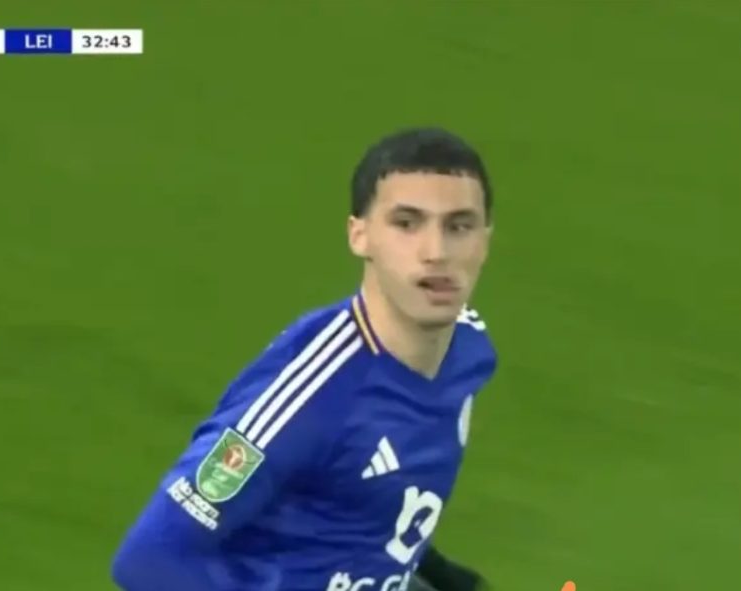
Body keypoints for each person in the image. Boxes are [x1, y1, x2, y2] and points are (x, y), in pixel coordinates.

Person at [111, 127, 498, 591]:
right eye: (406, 223)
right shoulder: (312, 396)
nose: (436, 252)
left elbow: (368, 501)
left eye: (458, 226)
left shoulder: (469, 346)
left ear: (485, 241)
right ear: (360, 236)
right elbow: (149, 560)